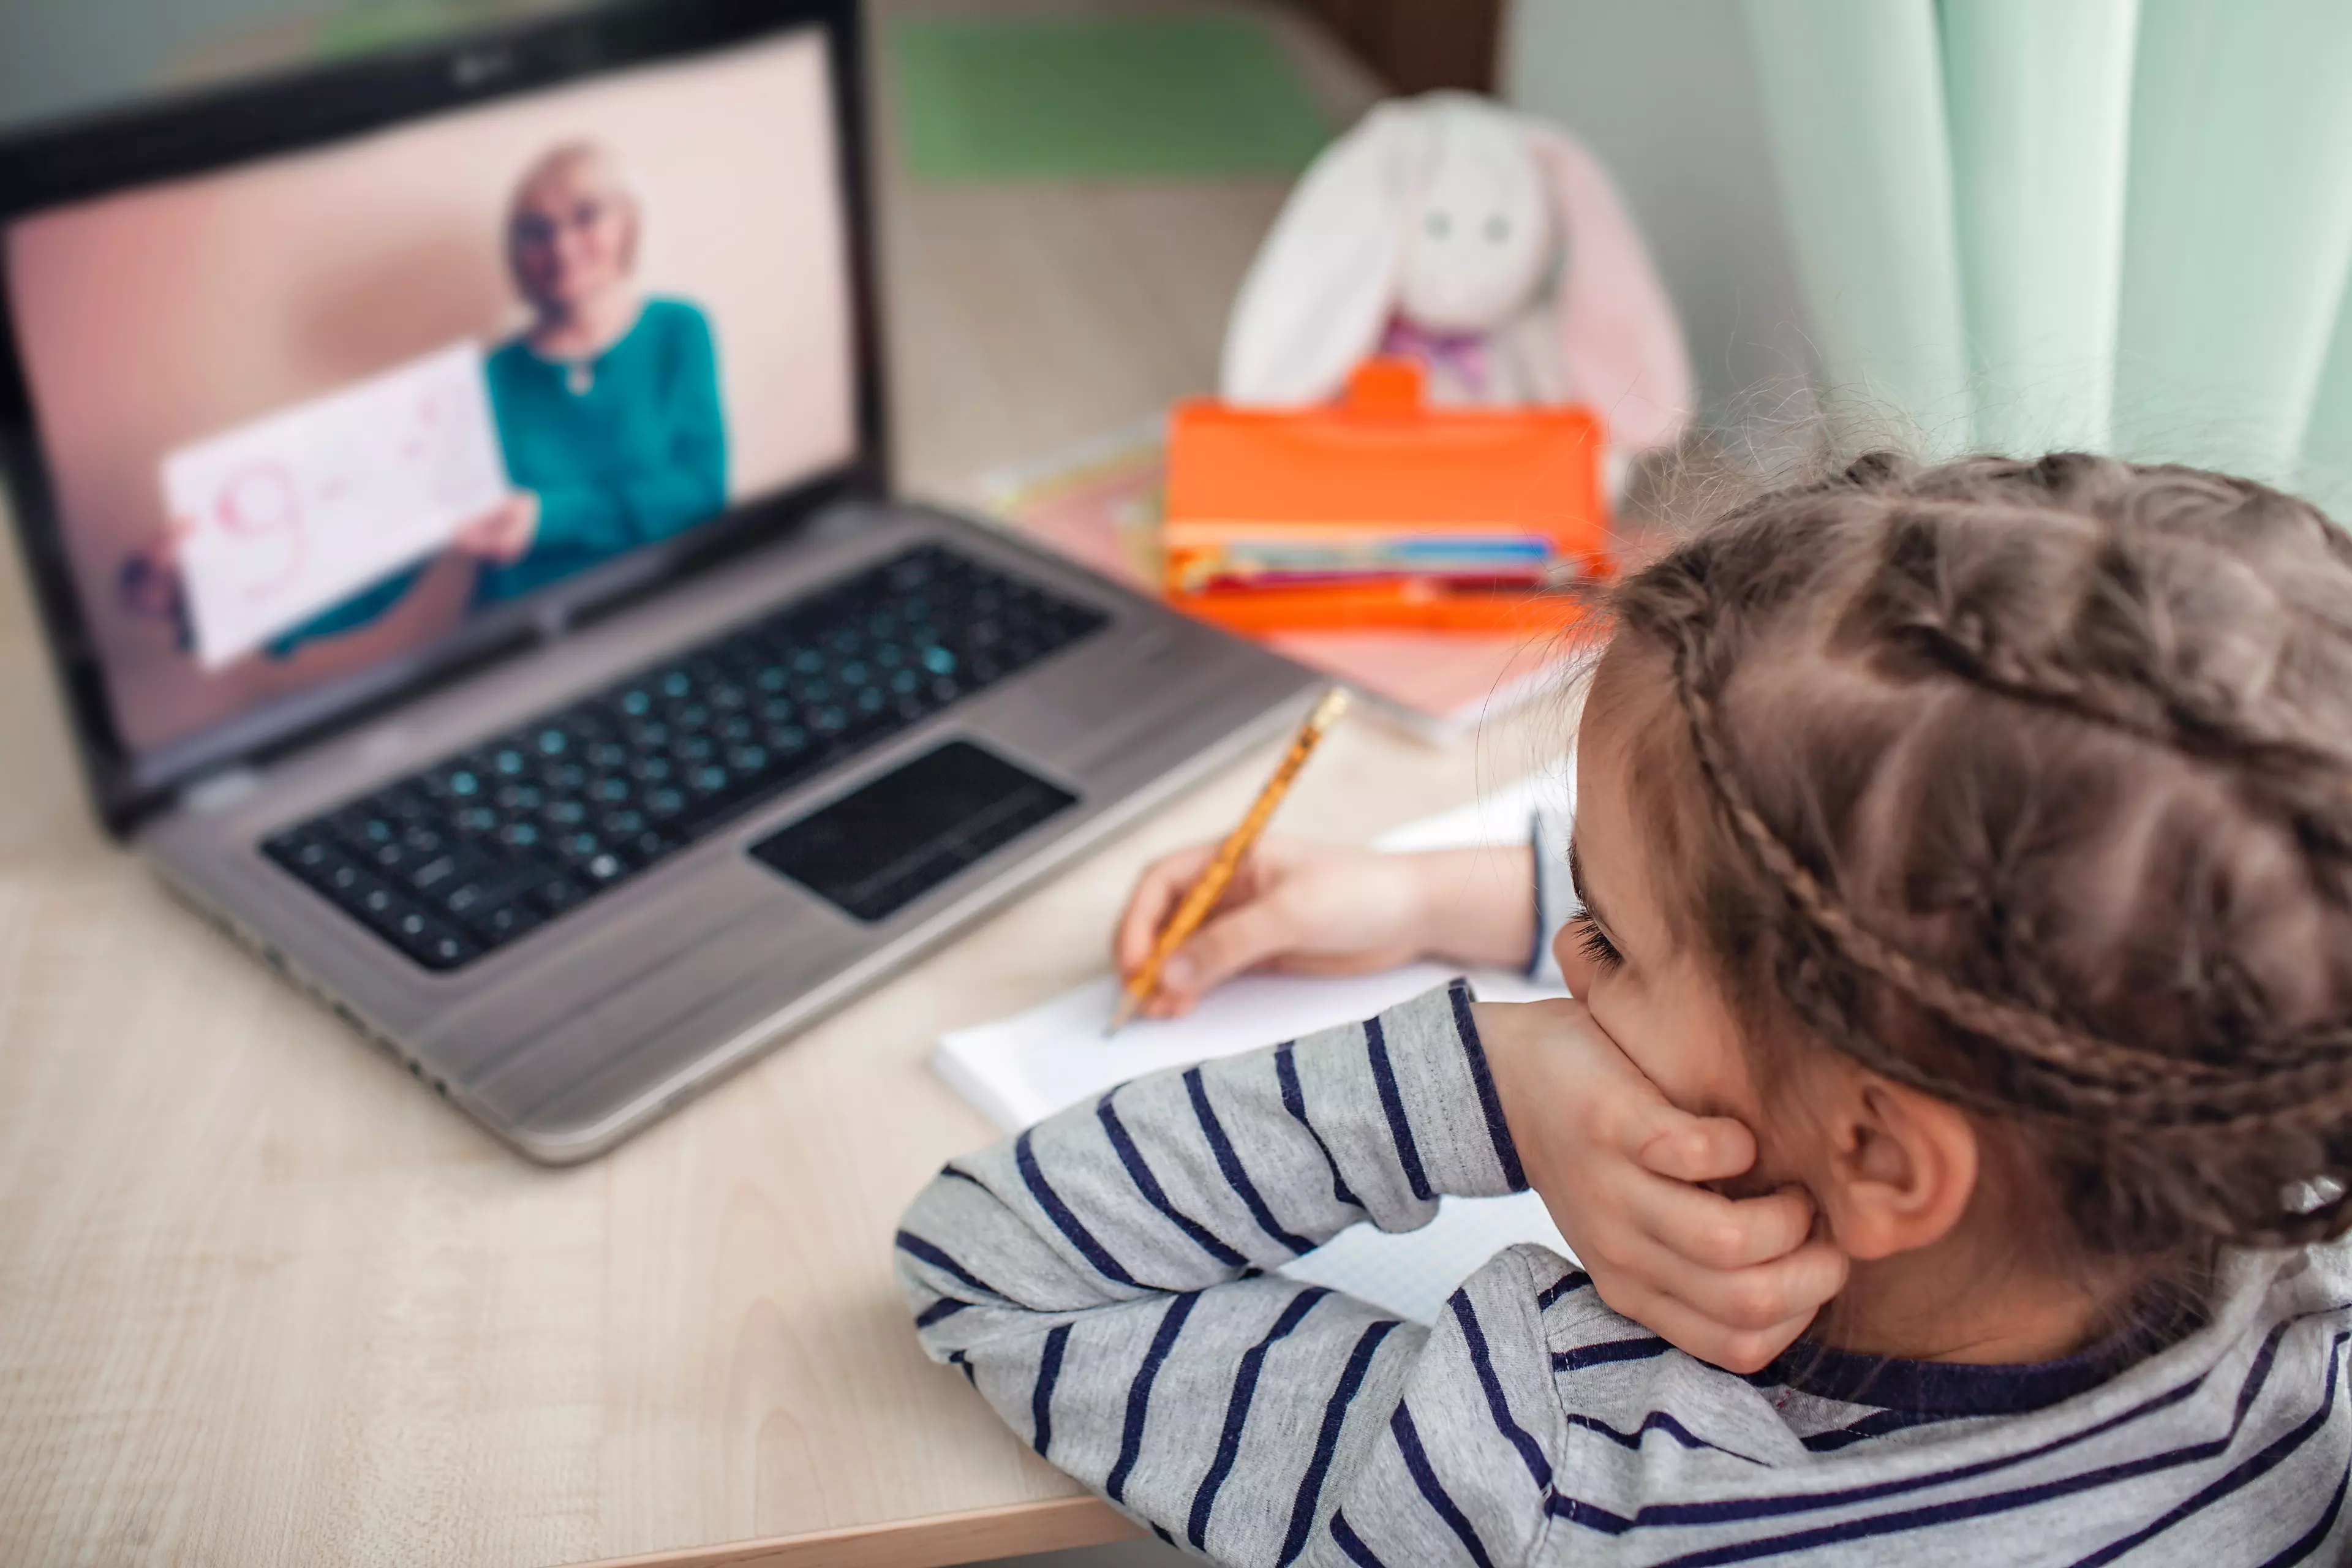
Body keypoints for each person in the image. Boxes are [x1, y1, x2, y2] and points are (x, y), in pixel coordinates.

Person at [894, 452, 2352, 1564]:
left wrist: (1483, 1079)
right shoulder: (2295, 1304)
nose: (1565, 966)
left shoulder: (1553, 1468)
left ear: (1882, 1158)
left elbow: (992, 1263)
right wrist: (1434, 899)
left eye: (1600, 934)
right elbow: (1827, 939)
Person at [197, 139, 727, 670]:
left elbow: (700, 493)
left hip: (666, 622)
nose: (563, 246)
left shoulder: (678, 330)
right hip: (522, 651)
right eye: (536, 231)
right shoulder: (481, 382)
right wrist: (228, 600)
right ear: (516, 255)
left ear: (627, 225)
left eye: (585, 217)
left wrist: (548, 517)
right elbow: (394, 554)